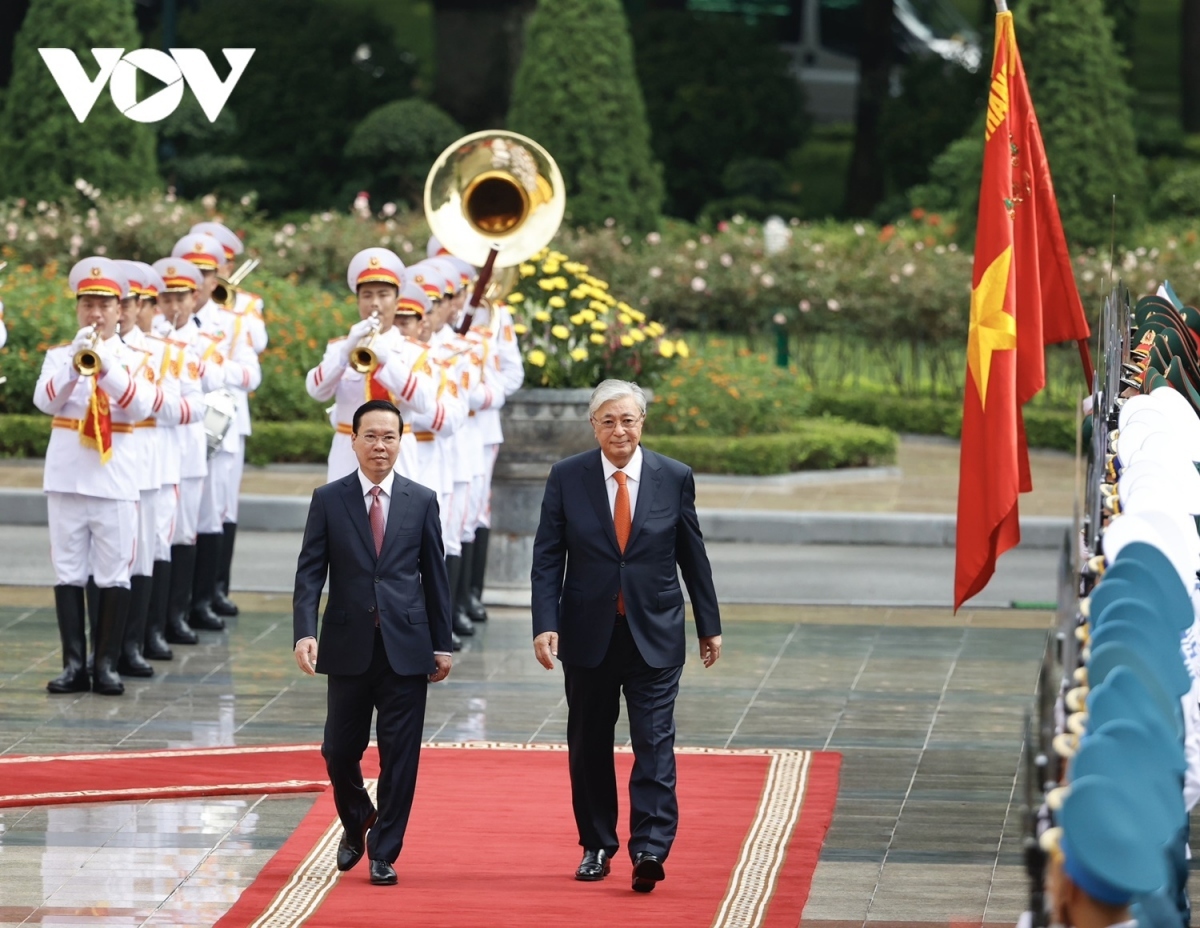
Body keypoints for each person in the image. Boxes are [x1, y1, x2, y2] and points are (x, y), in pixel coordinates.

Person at [530, 379, 723, 892]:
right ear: (593, 426)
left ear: (642, 424)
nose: (620, 430)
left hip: (655, 632)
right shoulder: (567, 477)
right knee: (589, 742)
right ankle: (596, 844)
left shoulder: (673, 476)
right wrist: (544, 624)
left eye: (628, 420)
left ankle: (651, 848)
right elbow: (548, 557)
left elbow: (692, 554)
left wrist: (709, 624)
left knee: (654, 741)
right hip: (588, 633)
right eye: (609, 421)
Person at [293, 399, 453, 886]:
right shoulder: (328, 498)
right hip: (347, 644)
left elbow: (437, 577)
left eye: (389, 437)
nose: (380, 445)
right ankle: (358, 816)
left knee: (400, 754)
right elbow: (309, 574)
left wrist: (441, 644)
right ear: (354, 440)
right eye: (371, 436)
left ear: (401, 441)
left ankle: (384, 850)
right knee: (339, 750)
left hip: (407, 646)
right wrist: (305, 631)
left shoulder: (422, 500)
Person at [34, 257, 157, 695]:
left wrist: (104, 366)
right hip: (67, 477)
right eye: (88, 304)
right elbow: (45, 402)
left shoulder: (136, 358)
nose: (96, 314)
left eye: (105, 304)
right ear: (78, 309)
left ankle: (105, 663)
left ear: (120, 309)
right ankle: (73, 665)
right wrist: (74, 363)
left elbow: (142, 406)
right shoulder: (58, 356)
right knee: (68, 571)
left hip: (115, 478)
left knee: (113, 573)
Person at [304, 248, 438, 486]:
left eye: (383, 294)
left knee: (396, 520)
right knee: (344, 521)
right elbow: (316, 390)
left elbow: (424, 402)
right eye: (366, 295)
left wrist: (388, 360)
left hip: (397, 453)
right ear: (357, 300)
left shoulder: (414, 352)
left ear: (397, 300)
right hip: (348, 453)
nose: (374, 303)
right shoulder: (339, 348)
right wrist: (345, 353)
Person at [189, 220, 268, 617]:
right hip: (182, 422)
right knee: (187, 512)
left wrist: (217, 369)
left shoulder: (239, 313)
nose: (203, 280)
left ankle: (211, 591)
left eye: (208, 271)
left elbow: (253, 362)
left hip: (223, 421)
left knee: (219, 508)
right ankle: (185, 599)